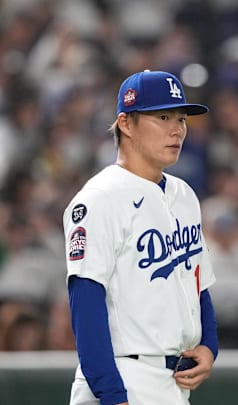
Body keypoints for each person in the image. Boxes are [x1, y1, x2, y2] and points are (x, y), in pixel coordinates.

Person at [63, 70, 218, 405]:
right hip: (124, 375)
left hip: (174, 382)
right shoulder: (99, 198)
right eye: (162, 117)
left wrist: (210, 345)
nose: (177, 129)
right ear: (125, 123)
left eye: (180, 118)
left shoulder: (185, 195)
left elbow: (197, 284)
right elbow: (85, 304)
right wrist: (111, 394)